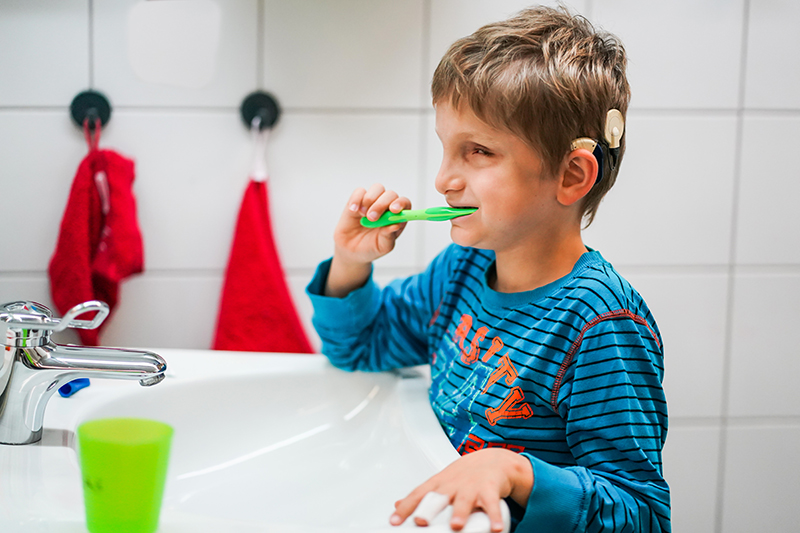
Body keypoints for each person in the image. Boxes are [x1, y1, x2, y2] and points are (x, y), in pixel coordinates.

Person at [306, 5, 669, 532]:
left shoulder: (600, 325)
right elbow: (359, 347)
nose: (443, 180)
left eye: (477, 151)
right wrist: (349, 264)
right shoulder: (462, 270)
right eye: (446, 150)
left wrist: (513, 472)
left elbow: (642, 516)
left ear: (571, 176)